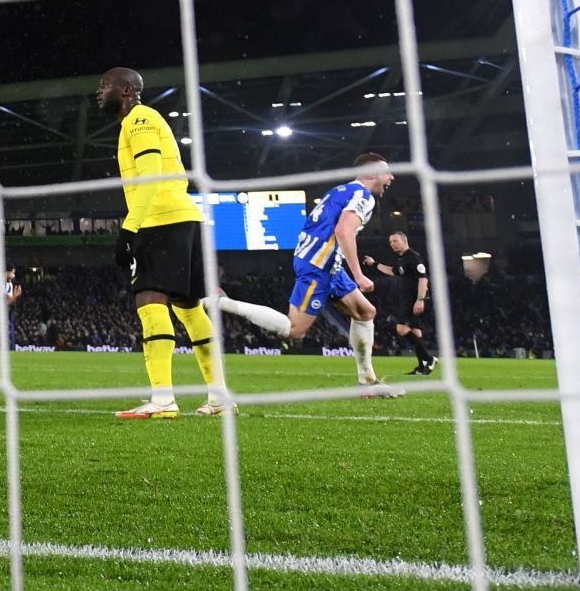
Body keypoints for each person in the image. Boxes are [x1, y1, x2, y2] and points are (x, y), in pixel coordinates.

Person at [94, 67, 231, 419]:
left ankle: (162, 399)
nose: (99, 92)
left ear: (126, 91)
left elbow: (152, 175)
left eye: (105, 86)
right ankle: (218, 398)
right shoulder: (144, 119)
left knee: (150, 299)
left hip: (161, 221)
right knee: (188, 307)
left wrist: (129, 229)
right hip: (184, 218)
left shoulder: (138, 119)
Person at [217, 153, 404, 398]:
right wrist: (358, 274)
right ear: (371, 174)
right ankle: (222, 302)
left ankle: (368, 381)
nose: (391, 177)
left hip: (325, 262)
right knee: (294, 330)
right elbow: (343, 231)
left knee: (365, 312)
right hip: (319, 264)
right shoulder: (363, 196)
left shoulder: (340, 191)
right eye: (386, 172)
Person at [364, 231, 436, 375]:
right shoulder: (401, 258)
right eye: (391, 242)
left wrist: (420, 300)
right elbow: (392, 271)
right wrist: (374, 264)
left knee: (401, 328)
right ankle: (423, 367)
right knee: (415, 331)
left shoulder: (413, 257)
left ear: (405, 241)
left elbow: (423, 279)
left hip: (413, 298)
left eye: (395, 241)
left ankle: (429, 359)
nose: (392, 244)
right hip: (407, 298)